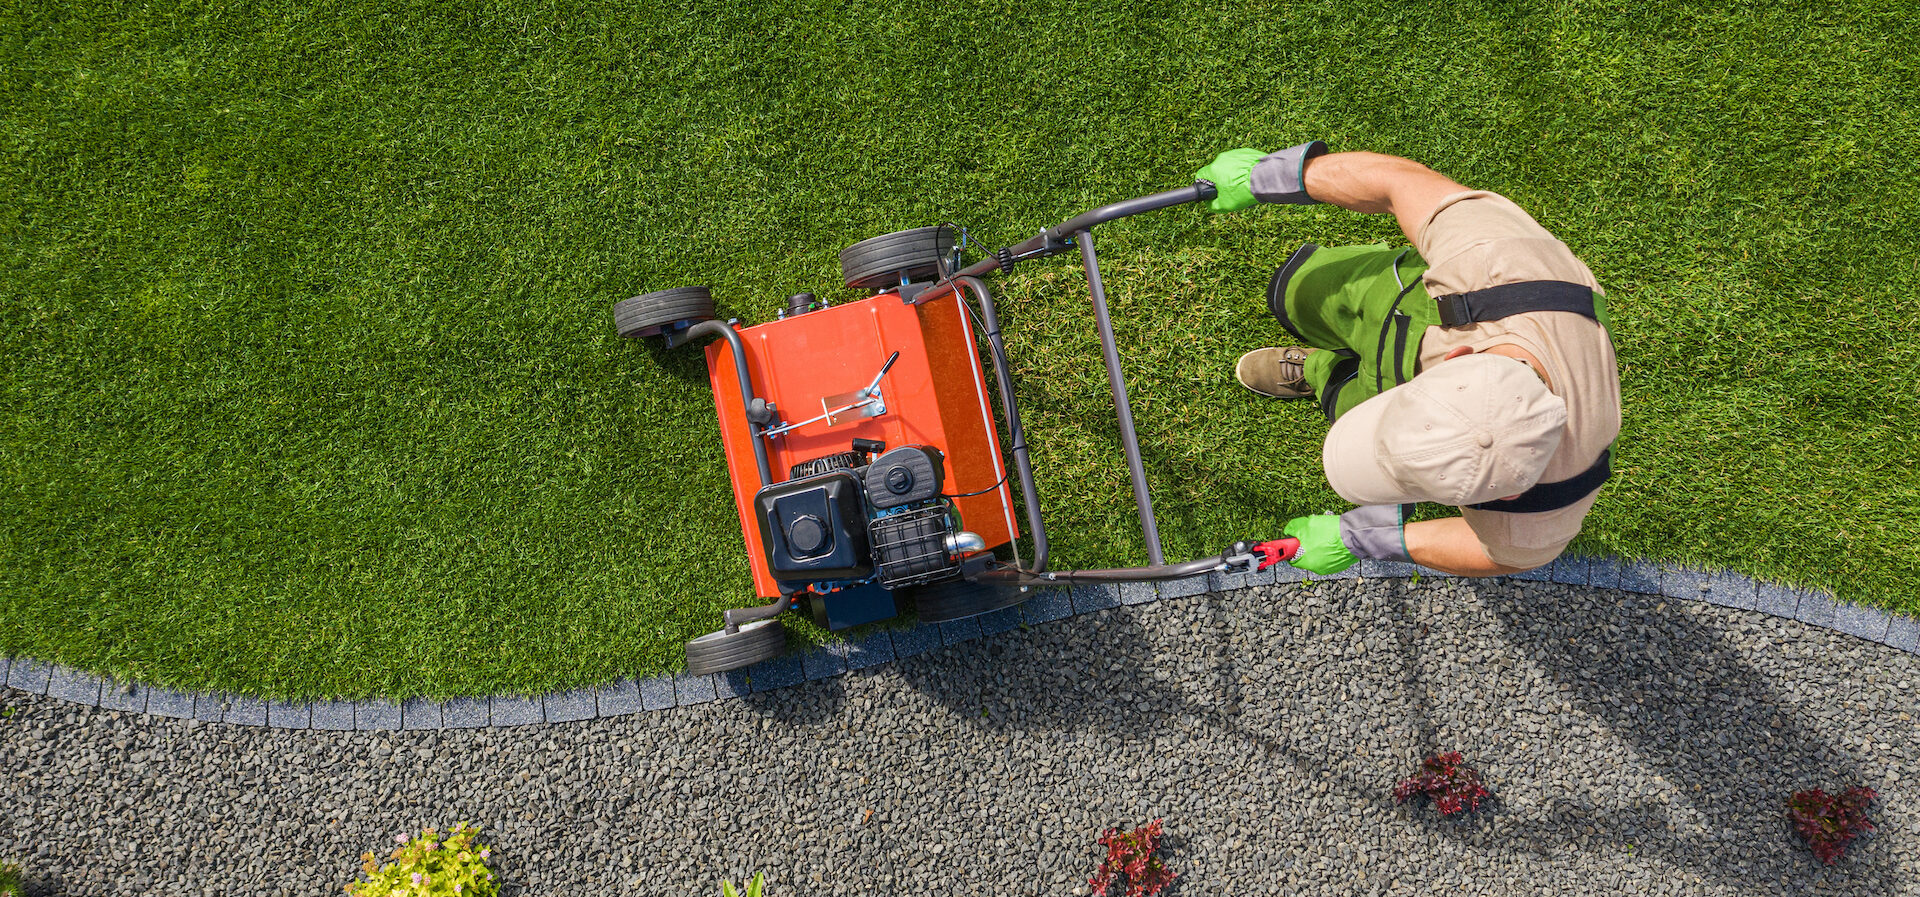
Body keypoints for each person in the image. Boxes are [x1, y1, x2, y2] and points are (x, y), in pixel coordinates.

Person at [1193, 143, 1620, 577]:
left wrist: (1362, 539)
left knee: (1344, 399)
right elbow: (1400, 183)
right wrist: (1273, 177)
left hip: (1428, 343)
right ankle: (1317, 320)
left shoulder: (1546, 509)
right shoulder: (1498, 261)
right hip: (1418, 304)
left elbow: (1498, 556)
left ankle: (1320, 371)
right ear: (1457, 355)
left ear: (1509, 494)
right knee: (1296, 292)